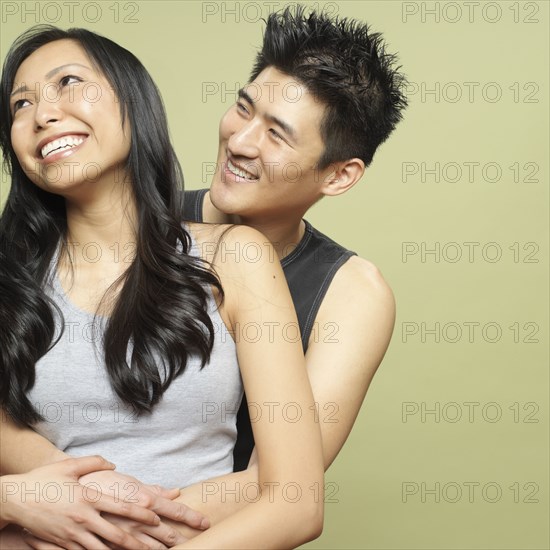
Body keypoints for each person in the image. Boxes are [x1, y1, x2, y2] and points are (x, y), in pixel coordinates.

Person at [0, 24, 324, 549]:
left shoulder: (234, 256)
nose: (42, 113)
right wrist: (14, 499)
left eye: (68, 82)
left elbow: (297, 503)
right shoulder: (8, 280)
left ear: (135, 101)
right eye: (20, 104)